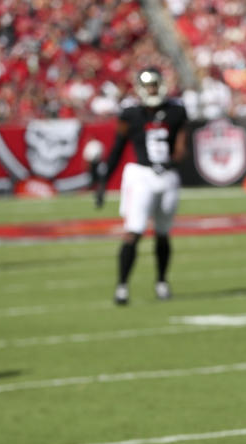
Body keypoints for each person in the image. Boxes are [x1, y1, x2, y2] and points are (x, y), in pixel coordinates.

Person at [95, 67, 188, 305]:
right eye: (148, 86)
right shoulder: (130, 114)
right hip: (141, 175)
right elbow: (117, 148)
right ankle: (122, 286)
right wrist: (104, 182)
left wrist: (172, 160)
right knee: (133, 231)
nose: (152, 90)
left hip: (167, 177)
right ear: (139, 88)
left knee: (163, 233)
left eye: (155, 85)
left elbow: (181, 146)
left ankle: (162, 282)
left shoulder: (176, 110)